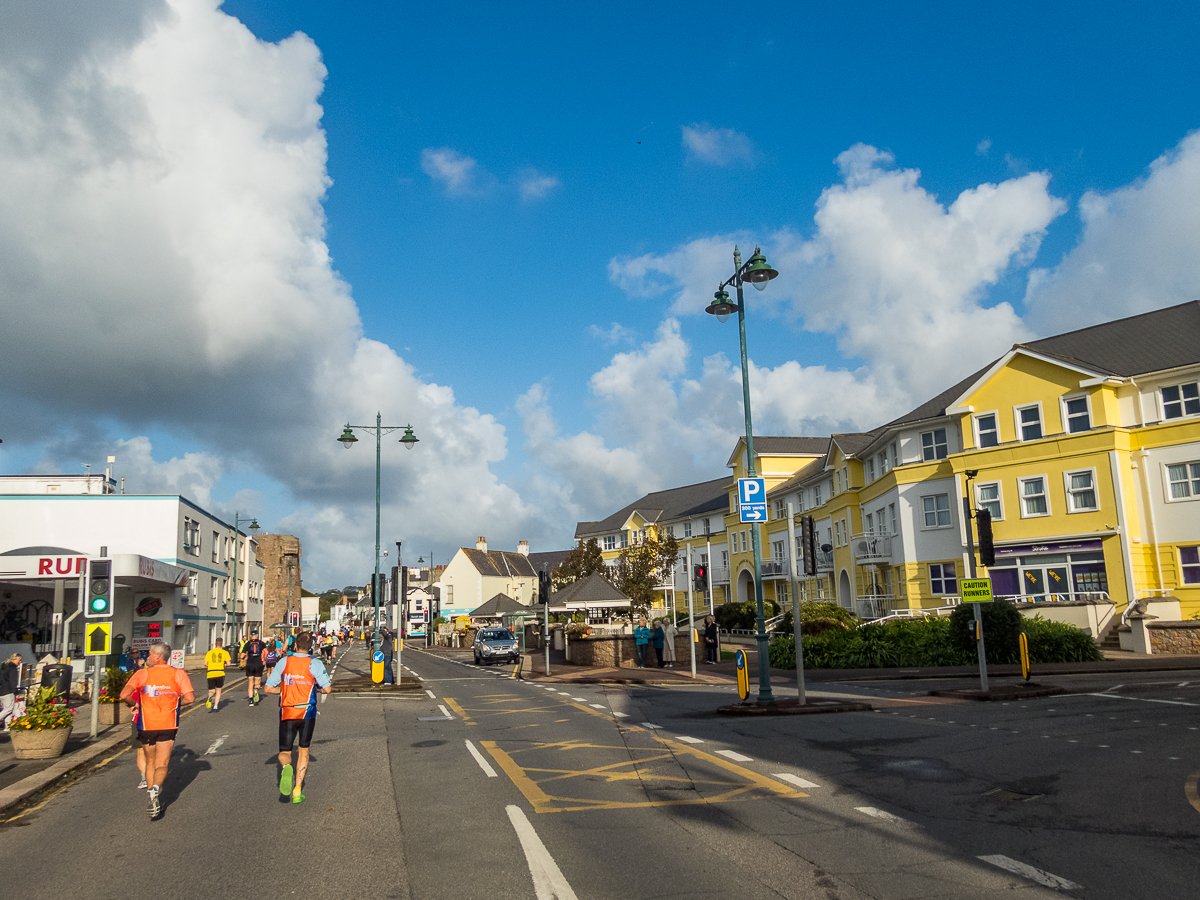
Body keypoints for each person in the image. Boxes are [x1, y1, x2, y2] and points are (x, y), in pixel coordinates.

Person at [120, 642, 195, 819]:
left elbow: (124, 695)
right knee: (162, 764)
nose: (147, 657)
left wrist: (135, 704)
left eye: (150, 654)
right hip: (168, 724)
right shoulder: (178, 674)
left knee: (150, 761)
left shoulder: (143, 673)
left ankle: (150, 791)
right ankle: (156, 789)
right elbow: (190, 698)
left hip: (147, 725)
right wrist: (175, 703)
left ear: (158, 656)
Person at [264, 631, 331, 804]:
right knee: (304, 750)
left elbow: (268, 688)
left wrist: (286, 689)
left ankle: (287, 767)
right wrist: (315, 689)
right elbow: (327, 689)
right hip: (307, 712)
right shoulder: (314, 663)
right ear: (312, 647)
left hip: (288, 712)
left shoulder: (284, 661)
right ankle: (297, 789)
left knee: (285, 752)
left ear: (294, 645)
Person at [203, 639, 231, 711]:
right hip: (220, 673)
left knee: (211, 690)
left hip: (210, 673)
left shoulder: (209, 652)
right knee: (218, 690)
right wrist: (223, 665)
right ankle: (215, 706)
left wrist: (211, 666)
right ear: (222, 644)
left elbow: (205, 663)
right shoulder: (225, 652)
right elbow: (228, 664)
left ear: (215, 644)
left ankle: (210, 697)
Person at [241, 629, 267, 705]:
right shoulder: (261, 643)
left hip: (250, 664)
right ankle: (256, 689)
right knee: (257, 682)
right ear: (257, 635)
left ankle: (251, 700)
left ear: (250, 636)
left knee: (250, 683)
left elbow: (242, 655)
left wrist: (245, 656)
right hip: (258, 664)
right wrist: (264, 660)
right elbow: (266, 652)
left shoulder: (248, 644)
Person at [0, 652, 21, 731]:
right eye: (19, 660)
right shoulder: (12, 668)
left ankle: (7, 727)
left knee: (7, 709)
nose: (20, 662)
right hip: (8, 691)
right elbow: (13, 681)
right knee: (8, 709)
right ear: (15, 659)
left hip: (1, 690)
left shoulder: (4, 667)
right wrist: (15, 692)